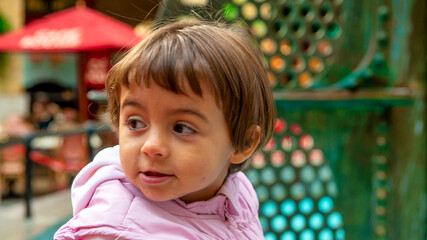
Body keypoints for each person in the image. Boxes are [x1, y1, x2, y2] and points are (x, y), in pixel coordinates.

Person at [54, 19, 276, 239]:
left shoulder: (237, 192)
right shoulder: (114, 230)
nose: (151, 146)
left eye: (181, 128)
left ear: (243, 143)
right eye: (135, 123)